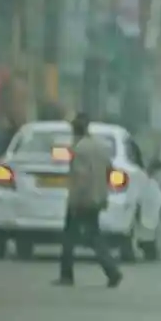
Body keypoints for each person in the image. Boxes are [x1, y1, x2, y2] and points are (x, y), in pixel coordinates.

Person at [56, 113, 122, 288]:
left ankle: (67, 275)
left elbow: (81, 177)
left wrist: (76, 201)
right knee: (93, 235)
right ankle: (111, 271)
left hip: (81, 199)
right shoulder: (101, 147)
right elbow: (110, 171)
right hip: (98, 198)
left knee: (71, 237)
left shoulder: (79, 149)